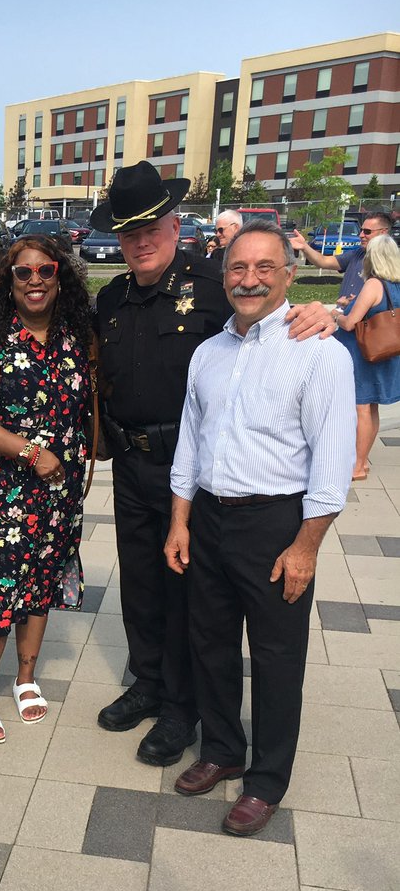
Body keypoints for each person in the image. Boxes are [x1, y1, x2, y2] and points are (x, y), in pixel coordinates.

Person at [92, 161, 335, 767]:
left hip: (196, 467)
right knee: (141, 586)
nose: (141, 241)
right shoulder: (111, 296)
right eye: (128, 231)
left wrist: (324, 312)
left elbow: (268, 321)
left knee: (187, 595)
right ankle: (147, 681)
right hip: (132, 462)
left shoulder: (214, 284)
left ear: (175, 226)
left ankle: (182, 708)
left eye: (152, 227)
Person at [165, 221, 355, 836]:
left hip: (277, 523)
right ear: (224, 275)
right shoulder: (209, 353)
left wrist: (306, 547)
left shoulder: (319, 351)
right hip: (211, 519)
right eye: (238, 268)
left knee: (275, 657)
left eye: (263, 268)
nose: (248, 279)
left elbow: (331, 461)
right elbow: (190, 442)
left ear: (288, 274)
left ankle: (267, 781)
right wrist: (180, 521)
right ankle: (222, 749)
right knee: (211, 644)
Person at [0, 236, 91, 742]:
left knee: (44, 580)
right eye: (23, 273)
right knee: (1, 585)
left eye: (46, 271)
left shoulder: (76, 336)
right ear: (7, 281)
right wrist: (33, 454)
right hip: (8, 487)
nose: (35, 281)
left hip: (61, 488)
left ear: (61, 277)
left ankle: (26, 677)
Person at [332, 234, 400, 480]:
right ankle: (363, 461)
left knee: (361, 408)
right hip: (383, 353)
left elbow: (350, 323)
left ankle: (357, 465)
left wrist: (335, 314)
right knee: (371, 409)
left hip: (363, 355)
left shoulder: (374, 284)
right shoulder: (395, 284)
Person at [291, 212, 392, 305]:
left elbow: (388, 301)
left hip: (365, 323)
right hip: (345, 319)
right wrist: (304, 246)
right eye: (361, 230)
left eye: (367, 232)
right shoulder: (357, 254)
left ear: (383, 232)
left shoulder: (392, 264)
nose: (361, 235)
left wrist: (355, 304)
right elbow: (324, 261)